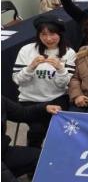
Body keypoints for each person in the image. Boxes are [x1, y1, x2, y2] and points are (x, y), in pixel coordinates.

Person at [12, 17, 75, 147]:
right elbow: (18, 80)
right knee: (37, 129)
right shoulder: (26, 50)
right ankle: (32, 155)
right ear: (38, 35)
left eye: (52, 34)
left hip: (57, 98)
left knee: (58, 128)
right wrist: (31, 67)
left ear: (60, 34)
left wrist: (60, 69)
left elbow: (63, 85)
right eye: (44, 34)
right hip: (29, 100)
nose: (48, 39)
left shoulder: (69, 53)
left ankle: (54, 153)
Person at [1, 97, 61, 182]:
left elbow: (22, 113)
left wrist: (44, 108)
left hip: (3, 151)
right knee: (8, 178)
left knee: (41, 157)